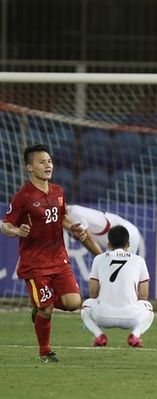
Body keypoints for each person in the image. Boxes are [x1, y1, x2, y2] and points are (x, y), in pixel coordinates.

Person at [1, 144, 91, 362]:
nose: (48, 165)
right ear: (30, 167)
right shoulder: (22, 197)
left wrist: (73, 228)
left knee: (73, 303)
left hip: (59, 259)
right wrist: (16, 230)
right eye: (42, 162)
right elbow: (5, 224)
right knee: (47, 310)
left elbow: (62, 217)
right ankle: (45, 351)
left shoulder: (58, 192)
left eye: (49, 161)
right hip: (35, 264)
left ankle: (40, 305)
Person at [80, 225, 154, 348]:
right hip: (131, 318)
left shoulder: (98, 259)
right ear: (128, 244)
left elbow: (93, 293)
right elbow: (144, 295)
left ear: (108, 245)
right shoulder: (139, 260)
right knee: (149, 308)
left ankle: (99, 336)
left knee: (86, 305)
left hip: (103, 317)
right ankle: (135, 336)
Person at [66, 204, 144, 255]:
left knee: (115, 273)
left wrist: (102, 260)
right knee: (123, 275)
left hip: (126, 234)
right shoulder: (70, 214)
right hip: (127, 234)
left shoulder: (73, 213)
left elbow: (87, 239)